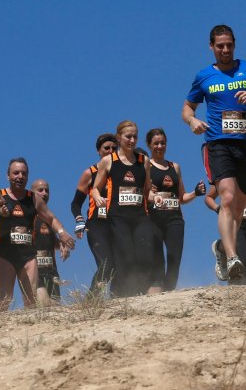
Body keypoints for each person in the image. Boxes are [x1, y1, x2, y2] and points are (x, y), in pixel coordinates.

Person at [182, 25, 246, 281]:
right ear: (211, 47)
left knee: (238, 208)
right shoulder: (204, 76)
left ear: (234, 45)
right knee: (226, 198)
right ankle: (232, 255)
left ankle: (222, 248)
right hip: (218, 144)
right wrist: (193, 122)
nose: (225, 50)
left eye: (229, 45)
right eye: (220, 46)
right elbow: (187, 108)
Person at [0, 159, 75, 310]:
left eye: (23, 173)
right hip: (5, 254)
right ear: (8, 176)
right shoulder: (0, 196)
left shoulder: (33, 198)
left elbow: (51, 218)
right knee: (5, 299)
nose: (20, 176)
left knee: (31, 301)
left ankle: (31, 331)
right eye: (16, 173)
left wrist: (62, 233)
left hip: (28, 256)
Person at [90, 121, 157, 296]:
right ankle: (123, 294)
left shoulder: (144, 161)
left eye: (135, 136)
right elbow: (95, 188)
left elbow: (147, 191)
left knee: (145, 256)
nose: (132, 140)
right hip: (118, 218)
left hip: (141, 217)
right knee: (126, 258)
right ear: (119, 138)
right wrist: (98, 198)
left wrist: (155, 197)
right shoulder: (108, 161)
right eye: (128, 136)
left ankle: (137, 291)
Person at [145, 128, 206, 294]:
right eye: (156, 143)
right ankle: (155, 291)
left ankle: (170, 291)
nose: (160, 146)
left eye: (163, 143)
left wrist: (195, 193)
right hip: (153, 218)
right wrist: (152, 193)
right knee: (157, 259)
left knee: (174, 257)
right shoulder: (146, 166)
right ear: (149, 145)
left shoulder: (175, 167)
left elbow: (182, 197)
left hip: (174, 219)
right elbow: (142, 192)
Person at [70, 133, 118, 294]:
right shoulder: (90, 173)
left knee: (119, 264)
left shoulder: (121, 171)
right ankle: (92, 299)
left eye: (114, 148)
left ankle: (117, 299)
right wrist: (79, 220)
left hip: (118, 223)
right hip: (96, 224)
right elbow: (76, 203)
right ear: (99, 151)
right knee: (106, 264)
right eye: (106, 148)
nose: (110, 151)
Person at [31, 178, 68, 306]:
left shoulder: (50, 219)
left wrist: (62, 245)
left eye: (47, 190)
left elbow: (52, 242)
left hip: (51, 270)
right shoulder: (28, 216)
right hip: (35, 271)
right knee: (43, 305)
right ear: (32, 193)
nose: (44, 193)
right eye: (40, 190)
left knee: (55, 307)